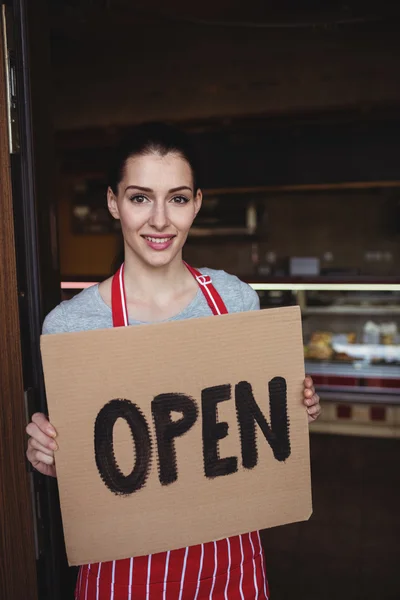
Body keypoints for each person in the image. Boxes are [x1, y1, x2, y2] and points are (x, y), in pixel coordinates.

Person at [26, 122, 321, 600]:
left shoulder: (235, 299)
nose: (160, 220)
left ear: (196, 204)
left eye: (178, 199)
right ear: (113, 203)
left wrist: (295, 408)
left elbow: (259, 434)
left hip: (229, 561)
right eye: (140, 198)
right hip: (122, 568)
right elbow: (83, 462)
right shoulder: (70, 326)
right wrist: (54, 456)